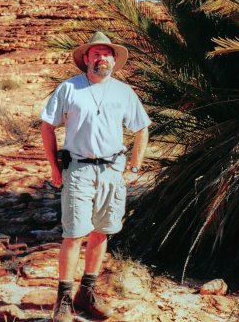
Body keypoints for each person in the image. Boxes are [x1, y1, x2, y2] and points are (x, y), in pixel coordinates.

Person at [40, 31, 151, 321]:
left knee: (101, 231)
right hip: (78, 169)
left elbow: (142, 128)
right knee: (74, 233)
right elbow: (47, 126)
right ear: (86, 58)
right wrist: (54, 166)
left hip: (113, 170)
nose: (102, 58)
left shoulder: (124, 92)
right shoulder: (69, 89)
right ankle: (63, 299)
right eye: (96, 53)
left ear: (114, 59)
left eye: (107, 53)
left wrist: (134, 167)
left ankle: (86, 293)